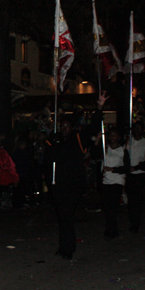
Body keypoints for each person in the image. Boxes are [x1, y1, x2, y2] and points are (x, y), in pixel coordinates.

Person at [44, 91, 107, 260]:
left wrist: (99, 107)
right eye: (62, 126)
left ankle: (68, 248)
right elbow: (48, 160)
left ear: (71, 127)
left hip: (73, 185)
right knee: (62, 217)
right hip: (58, 185)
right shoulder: (54, 140)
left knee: (67, 216)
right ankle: (64, 246)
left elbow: (94, 127)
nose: (64, 129)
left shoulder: (78, 139)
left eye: (67, 127)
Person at [101, 127, 129, 240]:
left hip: (117, 180)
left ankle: (112, 230)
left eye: (114, 135)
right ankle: (110, 228)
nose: (112, 138)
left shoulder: (122, 150)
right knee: (107, 206)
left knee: (112, 205)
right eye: (110, 135)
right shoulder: (105, 149)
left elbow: (126, 167)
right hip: (106, 180)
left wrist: (113, 169)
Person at [125, 122, 145, 233]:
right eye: (135, 128)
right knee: (131, 201)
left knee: (137, 200)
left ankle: (136, 223)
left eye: (139, 128)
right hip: (130, 175)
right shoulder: (128, 141)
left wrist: (136, 167)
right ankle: (132, 222)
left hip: (140, 174)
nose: (137, 130)